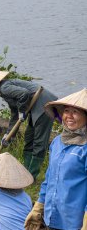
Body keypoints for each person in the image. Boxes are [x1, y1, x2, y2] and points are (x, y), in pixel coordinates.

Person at [25, 88, 87, 230]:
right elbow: (50, 177)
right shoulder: (57, 142)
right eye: (66, 111)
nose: (69, 116)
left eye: (75, 112)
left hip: (75, 221)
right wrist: (39, 207)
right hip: (52, 215)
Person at [0, 71, 58, 179]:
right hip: (35, 108)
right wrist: (7, 135)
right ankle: (26, 172)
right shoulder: (5, 91)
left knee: (39, 141)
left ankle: (32, 176)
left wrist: (22, 111)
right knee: (29, 138)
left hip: (44, 105)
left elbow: (24, 94)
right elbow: (15, 116)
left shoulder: (4, 88)